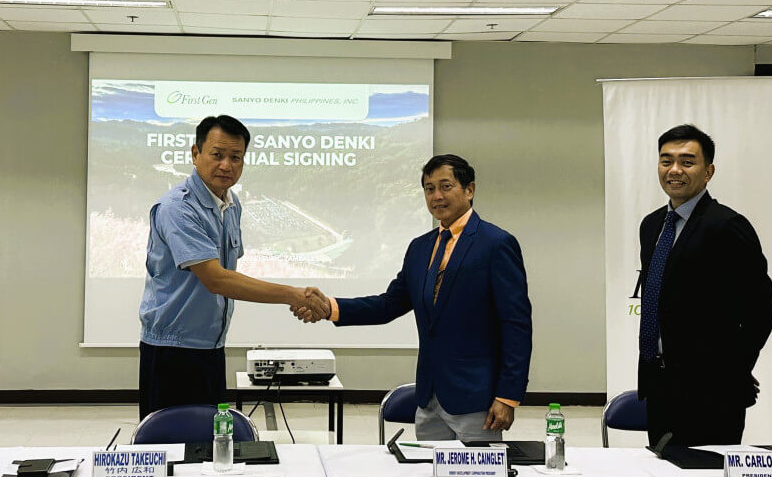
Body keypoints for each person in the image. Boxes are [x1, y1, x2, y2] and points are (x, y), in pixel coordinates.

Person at [295, 154, 532, 442]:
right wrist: (329, 307)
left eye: (446, 186)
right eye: (429, 188)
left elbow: (516, 325)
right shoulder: (420, 248)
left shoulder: (496, 244)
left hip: (476, 399)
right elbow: (388, 305)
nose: (437, 196)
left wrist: (508, 396)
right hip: (429, 399)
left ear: (469, 190)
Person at [139, 115, 327, 418]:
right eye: (217, 155)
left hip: (211, 348)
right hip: (173, 353)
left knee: (211, 448)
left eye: (236, 157)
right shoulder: (178, 208)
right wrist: (293, 295)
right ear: (195, 153)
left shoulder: (231, 204)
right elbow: (217, 280)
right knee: (171, 449)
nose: (226, 165)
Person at [637, 124, 772, 446]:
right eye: (666, 160)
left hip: (713, 395)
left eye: (687, 161)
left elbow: (761, 309)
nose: (674, 170)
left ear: (708, 171)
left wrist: (735, 370)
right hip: (658, 385)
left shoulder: (727, 227)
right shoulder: (651, 225)